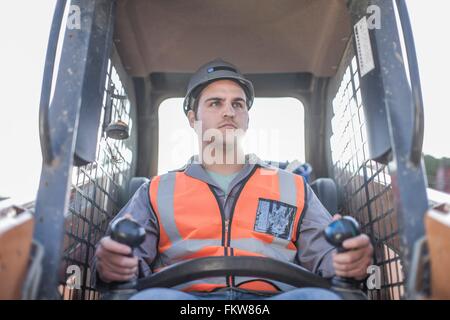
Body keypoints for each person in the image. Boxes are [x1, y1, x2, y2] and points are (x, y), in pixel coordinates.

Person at [92, 59, 374, 300]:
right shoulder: (155, 190)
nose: (229, 111)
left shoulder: (293, 186)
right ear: (192, 118)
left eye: (237, 104)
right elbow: (123, 259)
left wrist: (346, 262)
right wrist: (113, 263)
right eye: (216, 103)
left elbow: (325, 255)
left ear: (247, 119)